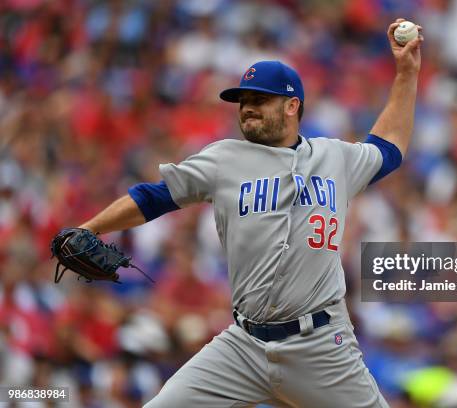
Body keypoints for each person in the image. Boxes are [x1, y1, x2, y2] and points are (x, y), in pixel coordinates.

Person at [77, 19, 422, 408]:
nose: (248, 108)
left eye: (260, 100)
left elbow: (389, 147)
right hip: (244, 346)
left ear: (292, 106)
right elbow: (153, 197)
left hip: (321, 346)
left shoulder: (335, 157)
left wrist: (407, 73)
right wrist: (88, 228)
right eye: (244, 101)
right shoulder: (224, 158)